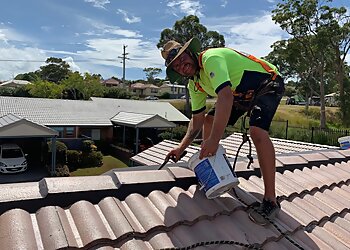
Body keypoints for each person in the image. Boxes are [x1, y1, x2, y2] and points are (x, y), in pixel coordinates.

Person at [161, 37, 285, 226]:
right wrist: (181, 148)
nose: (181, 65)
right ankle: (214, 171)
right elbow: (197, 120)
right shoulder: (195, 84)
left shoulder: (211, 58)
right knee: (209, 119)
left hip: (267, 83)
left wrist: (214, 140)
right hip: (241, 93)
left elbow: (225, 96)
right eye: (176, 65)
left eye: (182, 58)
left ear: (191, 53)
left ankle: (270, 200)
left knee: (257, 132)